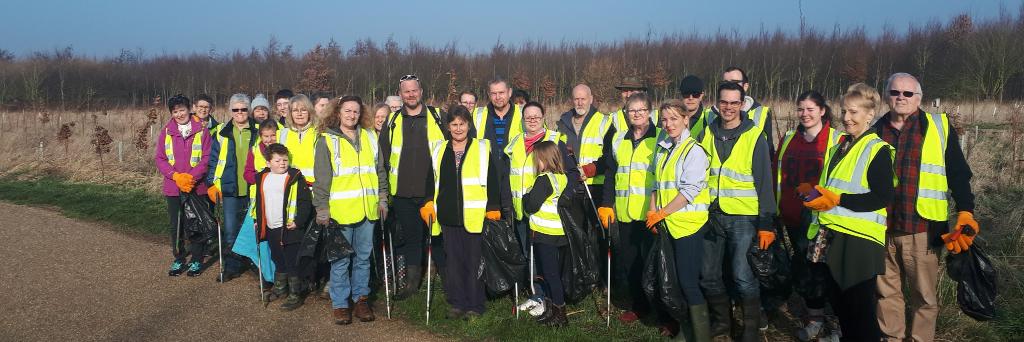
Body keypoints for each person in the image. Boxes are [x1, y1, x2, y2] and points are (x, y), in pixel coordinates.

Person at [874, 73, 979, 342]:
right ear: (886, 96)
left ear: (919, 98)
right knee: (887, 294)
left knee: (924, 297)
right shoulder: (874, 130)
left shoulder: (937, 127)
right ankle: (891, 339)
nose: (901, 98)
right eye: (895, 92)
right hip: (881, 229)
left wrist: (965, 210)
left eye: (908, 94)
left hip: (921, 229)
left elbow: (958, 172)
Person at [802, 83, 896, 341]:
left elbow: (881, 197)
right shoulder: (840, 146)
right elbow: (836, 187)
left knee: (860, 310)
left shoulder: (876, 150)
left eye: (854, 112)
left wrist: (836, 199)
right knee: (842, 307)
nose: (846, 118)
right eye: (844, 111)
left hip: (860, 242)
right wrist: (814, 194)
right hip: (833, 235)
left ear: (870, 114)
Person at [696, 82, 776, 342]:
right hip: (711, 216)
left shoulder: (755, 137)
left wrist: (766, 223)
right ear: (717, 103)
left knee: (743, 277)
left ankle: (751, 330)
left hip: (743, 218)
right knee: (708, 276)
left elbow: (765, 183)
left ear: (742, 104)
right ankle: (722, 325)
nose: (728, 107)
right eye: (724, 102)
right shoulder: (707, 133)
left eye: (734, 102)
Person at [419, 105, 501, 320]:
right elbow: (430, 180)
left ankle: (475, 305)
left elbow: (492, 180)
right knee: (453, 262)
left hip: (475, 217)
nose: (458, 128)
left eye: (462, 124)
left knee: (474, 262)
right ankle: (457, 303)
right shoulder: (438, 149)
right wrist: (428, 202)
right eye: (454, 124)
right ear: (448, 126)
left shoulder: (482, 149)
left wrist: (493, 207)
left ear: (469, 125)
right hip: (447, 216)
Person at [772, 90, 843, 340]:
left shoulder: (838, 140)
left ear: (823, 110)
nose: (805, 114)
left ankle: (836, 323)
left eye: (810, 109)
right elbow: (776, 175)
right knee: (805, 269)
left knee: (826, 271)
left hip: (823, 219)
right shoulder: (789, 138)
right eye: (801, 109)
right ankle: (814, 319)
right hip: (792, 217)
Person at [647, 99, 712, 341]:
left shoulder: (694, 151)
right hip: (670, 225)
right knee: (675, 281)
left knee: (688, 282)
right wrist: (652, 211)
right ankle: (685, 331)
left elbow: (688, 192)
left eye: (674, 118)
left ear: (686, 119)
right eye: (664, 119)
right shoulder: (664, 147)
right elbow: (657, 183)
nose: (668, 124)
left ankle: (701, 335)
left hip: (689, 226)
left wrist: (662, 213)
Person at [598, 93, 665, 329]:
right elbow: (610, 175)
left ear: (649, 112)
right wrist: (606, 204)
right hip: (626, 214)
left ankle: (663, 312)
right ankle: (639, 306)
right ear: (626, 114)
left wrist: (659, 210)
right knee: (631, 263)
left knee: (655, 265)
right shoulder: (618, 140)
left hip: (652, 215)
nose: (636, 114)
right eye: (631, 110)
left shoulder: (660, 138)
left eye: (641, 110)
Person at [506, 102, 580, 315]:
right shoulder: (516, 142)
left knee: (546, 262)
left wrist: (564, 198)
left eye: (536, 117)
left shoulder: (555, 141)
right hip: (522, 211)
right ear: (523, 119)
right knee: (529, 256)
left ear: (543, 117)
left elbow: (572, 175)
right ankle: (537, 294)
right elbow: (507, 174)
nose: (532, 120)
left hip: (547, 217)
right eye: (527, 117)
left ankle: (548, 299)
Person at [378, 74, 447, 298]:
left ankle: (447, 283)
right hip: (403, 194)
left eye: (414, 90)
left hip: (434, 192)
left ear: (421, 91)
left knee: (438, 239)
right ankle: (412, 285)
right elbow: (383, 158)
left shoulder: (439, 117)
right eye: (406, 91)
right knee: (412, 240)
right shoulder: (393, 121)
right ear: (400, 94)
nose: (410, 94)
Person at [314, 95, 380, 325]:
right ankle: (340, 304)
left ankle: (361, 299)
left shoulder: (371, 137)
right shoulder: (326, 141)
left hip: (367, 211)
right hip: (340, 213)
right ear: (337, 113)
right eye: (347, 111)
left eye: (356, 112)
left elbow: (379, 171)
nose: (352, 115)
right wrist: (322, 208)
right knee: (340, 260)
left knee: (363, 258)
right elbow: (322, 180)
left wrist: (382, 199)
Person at [250, 143, 315, 311]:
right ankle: (280, 287)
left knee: (292, 260)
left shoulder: (294, 178)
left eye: (285, 160)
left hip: (289, 228)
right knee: (277, 258)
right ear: (268, 163)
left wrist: (298, 221)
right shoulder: (262, 178)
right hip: (270, 226)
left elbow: (304, 202)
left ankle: (295, 293)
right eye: (277, 160)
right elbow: (259, 201)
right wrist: (258, 219)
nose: (282, 163)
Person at [156, 94, 212, 277]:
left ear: (189, 109)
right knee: (177, 225)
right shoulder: (166, 132)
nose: (179, 114)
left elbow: (206, 159)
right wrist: (176, 177)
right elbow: (161, 159)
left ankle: (196, 260)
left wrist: (191, 178)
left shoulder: (202, 130)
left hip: (197, 187)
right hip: (173, 187)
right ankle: (179, 258)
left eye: (182, 110)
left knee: (196, 223)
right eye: (175, 111)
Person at [206, 93, 259, 282]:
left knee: (253, 230)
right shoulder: (221, 132)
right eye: (235, 109)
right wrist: (211, 183)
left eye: (243, 109)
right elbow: (213, 160)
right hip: (228, 189)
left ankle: (254, 264)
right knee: (229, 231)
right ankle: (232, 266)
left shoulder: (258, 130)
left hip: (253, 189)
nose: (239, 113)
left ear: (249, 110)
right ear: (230, 111)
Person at [521, 140, 571, 326]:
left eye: (537, 159)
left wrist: (526, 196)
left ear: (545, 159)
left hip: (544, 233)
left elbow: (531, 205)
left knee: (549, 274)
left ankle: (559, 314)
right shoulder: (562, 177)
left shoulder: (543, 179)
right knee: (553, 273)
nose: (536, 163)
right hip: (558, 233)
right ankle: (551, 310)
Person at [722, 67, 774, 150]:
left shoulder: (762, 113)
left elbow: (768, 150)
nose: (729, 87)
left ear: (745, 86)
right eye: (725, 83)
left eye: (734, 83)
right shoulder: (711, 113)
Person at [279, 94, 321, 183]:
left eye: (303, 110)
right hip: (290, 184)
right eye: (295, 110)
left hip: (313, 186)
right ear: (290, 113)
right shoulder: (283, 134)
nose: (299, 114)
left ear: (310, 112)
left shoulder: (318, 132)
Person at [244, 119, 279, 198]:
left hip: (279, 193)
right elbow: (247, 174)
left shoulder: (283, 150)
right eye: (266, 136)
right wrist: (261, 177)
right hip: (259, 194)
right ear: (261, 136)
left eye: (273, 135)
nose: (269, 140)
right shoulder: (254, 150)